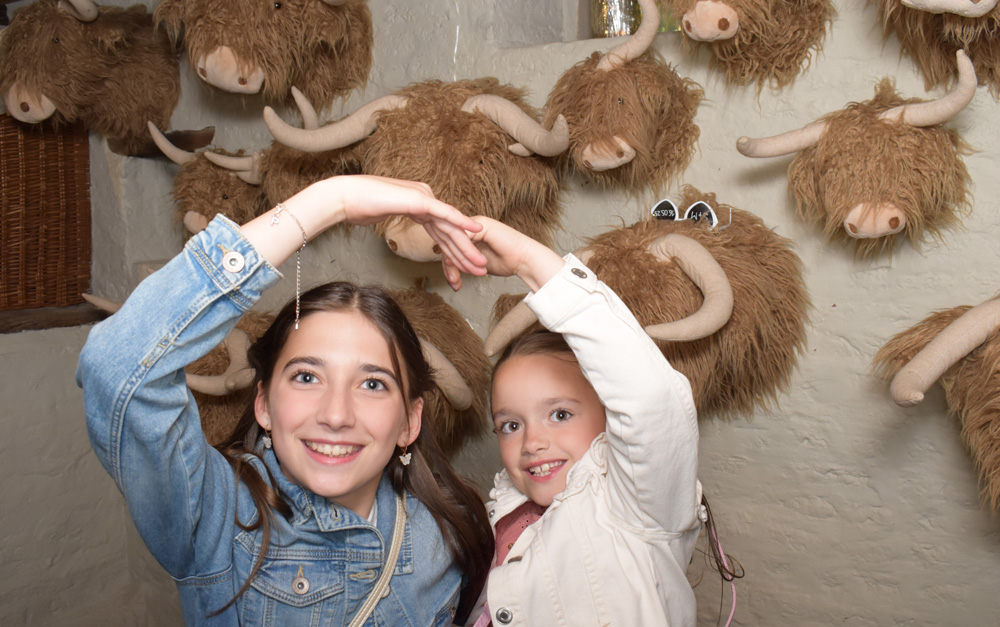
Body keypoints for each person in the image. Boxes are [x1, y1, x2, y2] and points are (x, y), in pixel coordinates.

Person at [77, 175, 494, 626]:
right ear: (264, 405)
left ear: (409, 422)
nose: (335, 415)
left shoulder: (449, 530)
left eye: (373, 384)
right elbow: (119, 368)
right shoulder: (217, 516)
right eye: (307, 376)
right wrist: (329, 202)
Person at [450, 217, 705, 627]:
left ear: (611, 415)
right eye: (510, 425)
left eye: (560, 414)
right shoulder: (500, 515)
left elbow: (650, 398)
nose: (532, 441)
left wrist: (531, 263)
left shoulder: (638, 505)